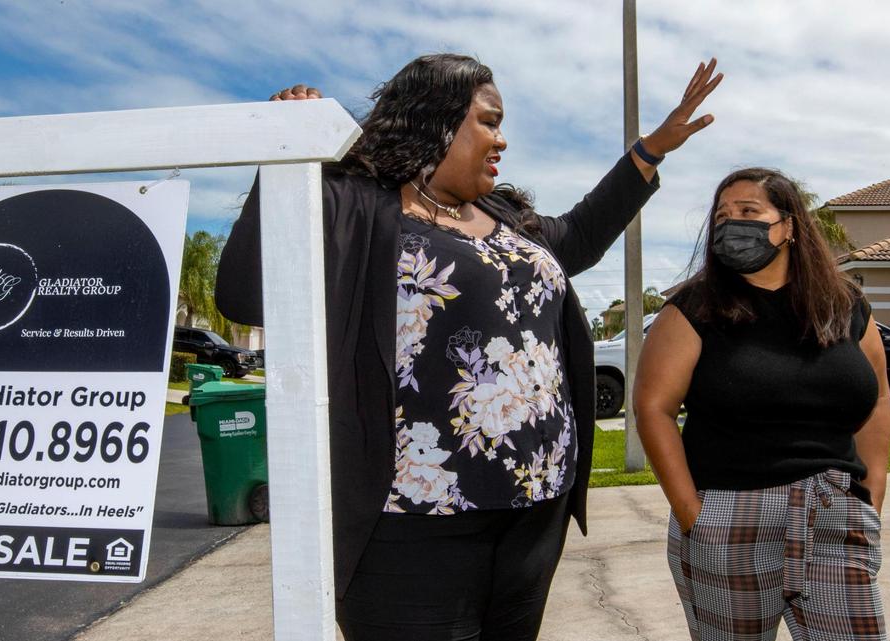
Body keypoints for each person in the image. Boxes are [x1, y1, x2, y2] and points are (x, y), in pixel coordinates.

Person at [217, 53, 722, 640]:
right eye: (489, 121)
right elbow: (245, 294)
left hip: (534, 508)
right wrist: (284, 160)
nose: (501, 140)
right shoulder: (351, 202)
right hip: (410, 518)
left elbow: (582, 234)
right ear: (435, 119)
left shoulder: (504, 217)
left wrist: (653, 146)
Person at [634, 167, 890, 641]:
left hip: (836, 512)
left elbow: (876, 401)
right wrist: (692, 512)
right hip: (729, 518)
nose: (732, 224)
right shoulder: (692, 309)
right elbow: (654, 408)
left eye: (749, 212)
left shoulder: (846, 305)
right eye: (722, 216)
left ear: (789, 226)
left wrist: (871, 495)